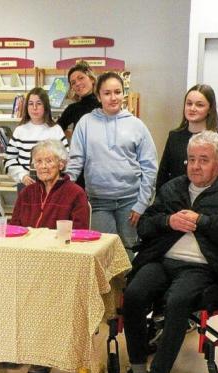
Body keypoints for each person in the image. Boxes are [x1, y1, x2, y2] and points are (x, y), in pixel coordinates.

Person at [105, 130, 218, 373]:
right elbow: (145, 226)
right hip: (163, 260)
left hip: (203, 268)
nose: (195, 166)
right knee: (134, 293)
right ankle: (137, 372)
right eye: (191, 159)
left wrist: (204, 221)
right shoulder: (173, 188)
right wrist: (168, 221)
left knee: (177, 302)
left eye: (204, 160)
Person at [9, 138, 89, 373]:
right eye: (39, 161)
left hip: (58, 262)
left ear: (61, 164)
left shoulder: (75, 193)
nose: (43, 166)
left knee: (44, 296)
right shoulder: (27, 193)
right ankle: (13, 347)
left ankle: (42, 354)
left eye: (49, 160)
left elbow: (81, 231)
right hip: (25, 261)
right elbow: (14, 226)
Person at [66, 71, 158, 259]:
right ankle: (110, 290)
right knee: (104, 254)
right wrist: (64, 187)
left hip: (131, 202)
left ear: (123, 94)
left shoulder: (136, 125)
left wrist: (142, 203)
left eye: (117, 92)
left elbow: (149, 166)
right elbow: (75, 160)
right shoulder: (85, 123)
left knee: (130, 253)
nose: (113, 97)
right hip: (99, 202)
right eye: (107, 93)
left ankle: (128, 289)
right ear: (99, 96)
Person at [156, 84, 218, 187]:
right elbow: (163, 174)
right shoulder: (174, 136)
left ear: (210, 109)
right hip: (175, 198)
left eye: (199, 105)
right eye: (189, 104)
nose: (192, 108)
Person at [4, 87, 68, 191]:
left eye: (39, 103)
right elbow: (9, 160)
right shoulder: (20, 131)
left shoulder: (56, 130)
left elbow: (65, 160)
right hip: (26, 185)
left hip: (52, 186)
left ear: (45, 106)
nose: (34, 108)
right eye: (30, 104)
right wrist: (22, 176)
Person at [56, 61, 101, 188]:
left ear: (91, 78)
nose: (78, 83)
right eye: (73, 82)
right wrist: (74, 136)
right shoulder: (72, 108)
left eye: (81, 78)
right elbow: (57, 128)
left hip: (102, 164)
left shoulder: (104, 105)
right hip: (80, 165)